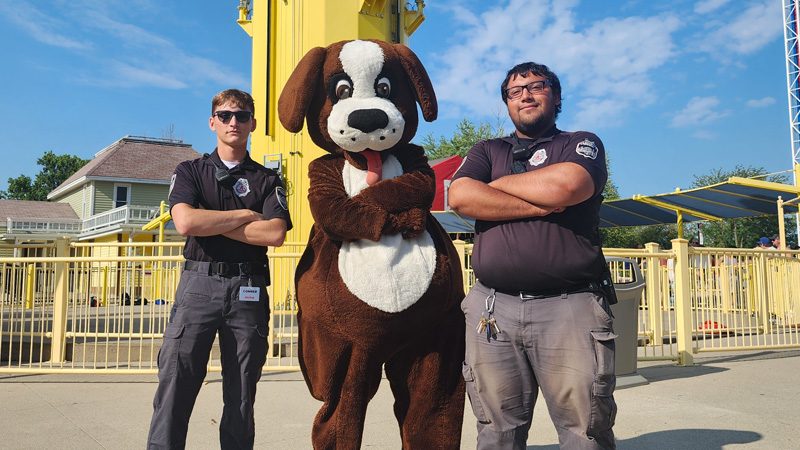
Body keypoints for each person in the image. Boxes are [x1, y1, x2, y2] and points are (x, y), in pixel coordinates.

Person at [448, 62, 616, 449]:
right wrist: (540, 204)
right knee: (495, 429)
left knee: (584, 429)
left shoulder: (579, 142)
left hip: (569, 306)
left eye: (537, 86)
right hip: (493, 309)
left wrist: (498, 187)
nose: (525, 94)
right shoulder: (488, 150)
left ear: (556, 97)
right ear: (507, 103)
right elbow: (460, 197)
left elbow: (568, 185)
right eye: (514, 91)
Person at [147, 89, 292, 450]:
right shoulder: (190, 171)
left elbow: (274, 233)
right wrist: (245, 216)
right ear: (212, 122)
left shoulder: (269, 180)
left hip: (249, 290)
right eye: (225, 115)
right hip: (199, 284)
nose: (233, 122)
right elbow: (184, 223)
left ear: (253, 124)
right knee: (176, 383)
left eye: (242, 116)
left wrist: (207, 221)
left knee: (242, 392)